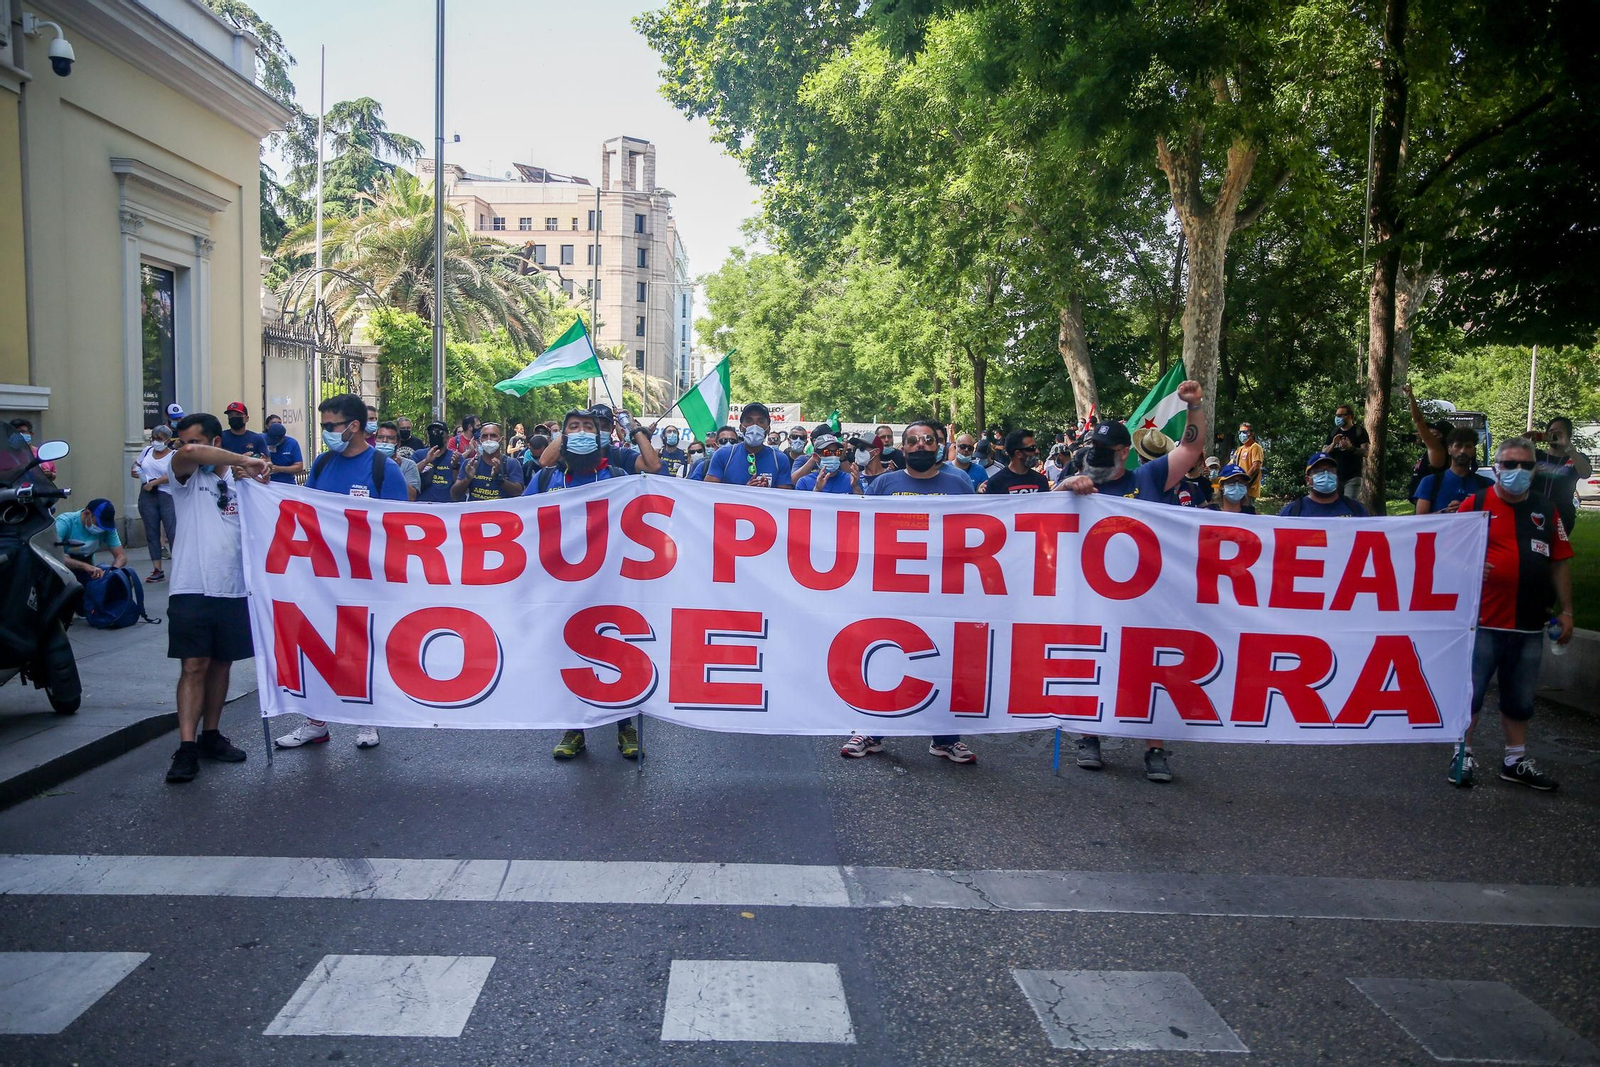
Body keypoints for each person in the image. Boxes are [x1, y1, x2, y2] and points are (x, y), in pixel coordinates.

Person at [1055, 380, 1208, 782]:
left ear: (1125, 451)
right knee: (1092, 662)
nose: (1098, 458)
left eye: (1107, 452)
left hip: (1149, 595)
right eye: (1094, 451)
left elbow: (1190, 449)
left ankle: (1154, 748)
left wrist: (1194, 408)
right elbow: (1040, 516)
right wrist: (1066, 486)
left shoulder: (1151, 477)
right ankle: (1089, 736)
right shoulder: (1079, 477)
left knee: (1150, 668)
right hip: (1092, 594)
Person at [275, 393, 406, 752]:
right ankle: (315, 721)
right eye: (324, 426)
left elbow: (400, 525)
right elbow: (306, 511)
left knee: (361, 647)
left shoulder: (383, 468)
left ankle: (368, 719)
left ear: (354, 426)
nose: (326, 432)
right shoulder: (321, 464)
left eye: (331, 426)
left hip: (366, 576)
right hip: (322, 575)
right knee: (318, 647)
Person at [844, 420, 976, 764]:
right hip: (891, 587)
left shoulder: (959, 483)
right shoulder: (884, 483)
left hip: (944, 588)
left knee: (943, 659)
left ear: (939, 446)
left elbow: (981, 529)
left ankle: (946, 738)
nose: (920, 446)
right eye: (913, 441)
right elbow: (860, 529)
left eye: (927, 440)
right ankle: (869, 730)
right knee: (885, 655)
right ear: (903, 449)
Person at [1450, 438, 1573, 790]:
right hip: (1483, 622)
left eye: (1526, 465)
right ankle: (1463, 754)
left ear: (1535, 469)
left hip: (1530, 622)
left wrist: (1567, 611)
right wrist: (1469, 565)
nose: (1518, 472)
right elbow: (1447, 552)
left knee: (1520, 697)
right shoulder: (1475, 504)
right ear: (1496, 468)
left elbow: (1560, 561)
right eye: (1510, 464)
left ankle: (1515, 760)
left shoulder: (1546, 510)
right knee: (1470, 693)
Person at [529, 408, 640, 761]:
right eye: (572, 428)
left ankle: (625, 727)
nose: (580, 432)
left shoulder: (618, 475)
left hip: (613, 583)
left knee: (619, 654)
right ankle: (574, 729)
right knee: (571, 655)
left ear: (600, 436)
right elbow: (520, 520)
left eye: (587, 428)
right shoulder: (549, 478)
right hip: (564, 585)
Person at [161, 413, 266, 784]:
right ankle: (186, 745)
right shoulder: (183, 478)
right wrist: (242, 460)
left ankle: (211, 735)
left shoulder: (243, 484)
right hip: (192, 586)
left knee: (222, 664)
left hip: (234, 587)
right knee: (193, 666)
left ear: (216, 443)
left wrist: (257, 479)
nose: (184, 447)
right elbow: (189, 452)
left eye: (194, 440)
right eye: (180, 441)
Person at [705, 403, 793, 488]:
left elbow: (783, 497)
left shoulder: (780, 459)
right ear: (741, 427)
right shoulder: (723, 455)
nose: (755, 426)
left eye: (760, 421)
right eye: (749, 420)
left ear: (768, 429)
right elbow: (710, 492)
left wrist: (766, 492)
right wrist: (746, 492)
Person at [1531, 416, 1591, 538]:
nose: (1554, 435)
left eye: (1559, 433)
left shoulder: (1575, 458)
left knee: (1557, 553)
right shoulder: (1536, 455)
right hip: (1534, 512)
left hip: (1562, 515)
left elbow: (1585, 473)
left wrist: (1569, 448)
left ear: (1568, 436)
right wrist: (1525, 444)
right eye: (1551, 432)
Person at [130, 425, 176, 583]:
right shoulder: (147, 451)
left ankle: (178, 568)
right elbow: (136, 466)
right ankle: (157, 569)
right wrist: (136, 472)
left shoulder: (173, 455)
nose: (156, 442)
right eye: (154, 438)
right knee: (152, 533)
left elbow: (173, 475)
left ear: (168, 440)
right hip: (147, 495)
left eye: (160, 439)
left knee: (173, 532)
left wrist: (154, 482)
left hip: (167, 495)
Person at [1414, 429, 1493, 514]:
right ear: (1449, 450)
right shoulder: (1430, 482)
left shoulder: (1487, 485)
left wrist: (1470, 509)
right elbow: (1420, 520)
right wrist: (1446, 512)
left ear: (1474, 451)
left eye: (1468, 446)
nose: (1462, 451)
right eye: (1458, 446)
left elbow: (1495, 515)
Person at [55, 499, 128, 584]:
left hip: (88, 569)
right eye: (98, 524)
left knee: (123, 580)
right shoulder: (65, 522)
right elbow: (53, 555)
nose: (102, 528)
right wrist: (85, 566)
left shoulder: (107, 528)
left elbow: (121, 556)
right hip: (61, 571)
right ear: (87, 513)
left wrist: (113, 571)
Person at [1279, 453, 1371, 518]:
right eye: (1319, 471)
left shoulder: (1356, 509)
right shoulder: (1292, 512)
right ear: (1308, 479)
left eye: (1331, 470)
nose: (1326, 475)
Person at [451, 421, 524, 500]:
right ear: (480, 440)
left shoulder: (511, 464)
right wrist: (467, 479)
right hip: (476, 511)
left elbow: (518, 492)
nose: (488, 440)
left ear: (501, 439)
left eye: (493, 436)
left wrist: (499, 479)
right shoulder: (470, 464)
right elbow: (454, 495)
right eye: (485, 436)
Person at [981, 429, 1051, 494]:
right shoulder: (996, 482)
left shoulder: (1041, 480)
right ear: (1018, 453)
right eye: (1032, 448)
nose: (1037, 451)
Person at [794, 431, 861, 494]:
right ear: (816, 457)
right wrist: (817, 490)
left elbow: (862, 504)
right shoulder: (804, 482)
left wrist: (855, 487)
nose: (833, 456)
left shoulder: (852, 480)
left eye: (837, 452)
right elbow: (802, 505)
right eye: (827, 452)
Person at [1328, 403, 1370, 499]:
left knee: (1348, 506)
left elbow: (1366, 452)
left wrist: (1350, 448)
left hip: (1353, 477)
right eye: (1336, 415)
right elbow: (1324, 452)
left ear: (1349, 416)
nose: (1337, 418)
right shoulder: (1334, 432)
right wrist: (1333, 444)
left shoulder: (1359, 431)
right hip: (1335, 477)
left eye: (1340, 415)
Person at [375, 421, 423, 501]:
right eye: (380, 437)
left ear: (398, 443)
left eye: (390, 438)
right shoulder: (366, 462)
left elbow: (411, 497)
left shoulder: (409, 465)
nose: (384, 441)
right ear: (375, 439)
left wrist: (395, 471)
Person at [415, 421, 457, 502]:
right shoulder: (418, 454)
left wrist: (455, 466)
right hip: (422, 505)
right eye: (432, 432)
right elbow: (410, 475)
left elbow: (460, 486)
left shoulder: (455, 456)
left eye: (439, 432)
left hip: (447, 507)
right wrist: (426, 461)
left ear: (447, 437)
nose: (435, 435)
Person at [264, 418, 305, 485]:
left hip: (286, 484)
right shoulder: (260, 440)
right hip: (265, 484)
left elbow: (299, 467)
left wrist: (279, 469)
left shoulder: (292, 443)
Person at [1229, 422, 1264, 500]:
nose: (1241, 434)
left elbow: (1256, 466)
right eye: (1240, 432)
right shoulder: (1239, 449)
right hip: (1238, 488)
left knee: (1247, 510)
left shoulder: (1255, 447)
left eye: (1244, 432)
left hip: (1249, 488)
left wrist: (1244, 481)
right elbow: (1231, 464)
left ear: (1251, 434)